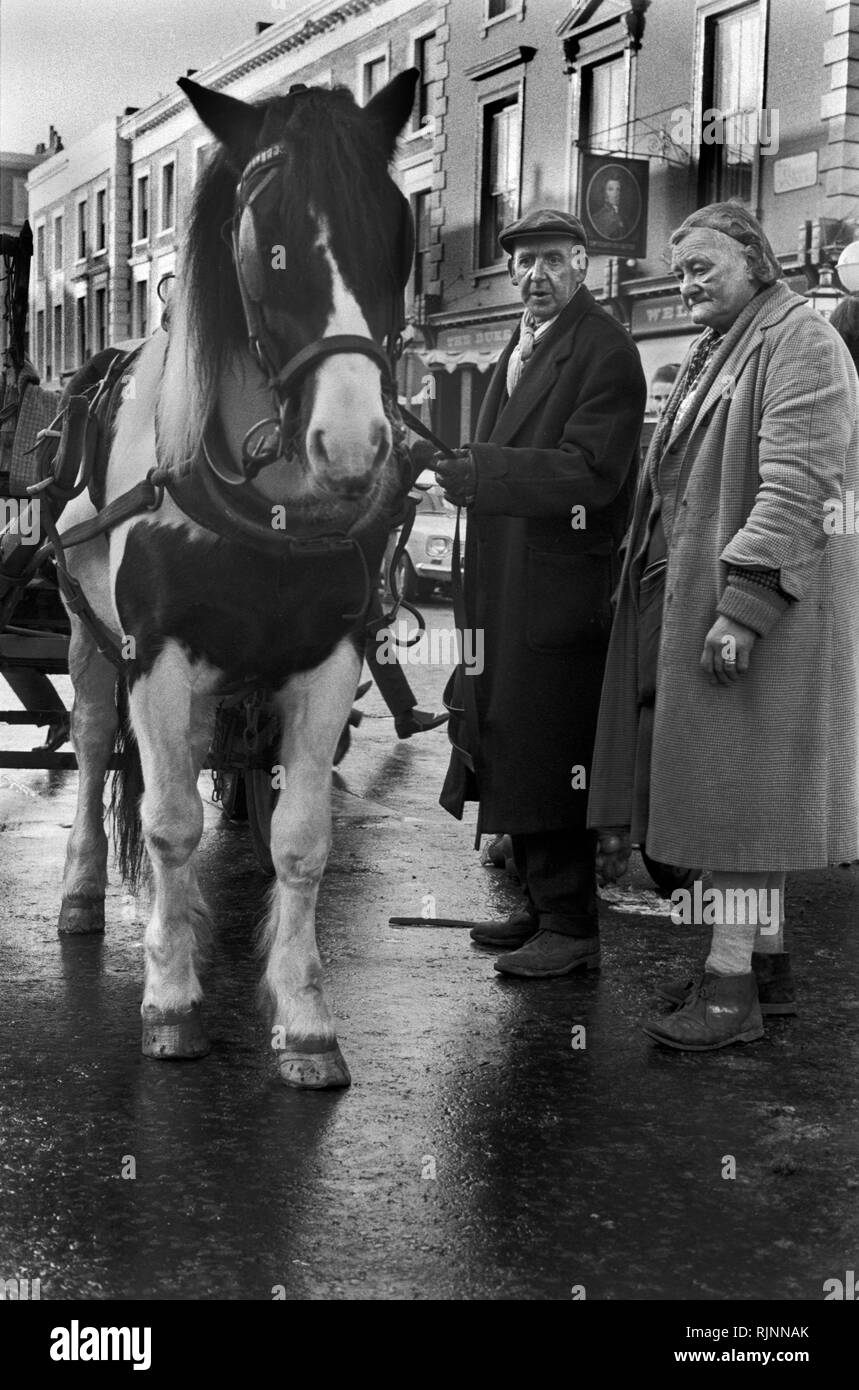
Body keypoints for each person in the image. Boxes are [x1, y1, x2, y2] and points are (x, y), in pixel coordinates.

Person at [588, 202, 859, 1049]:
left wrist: (741, 608)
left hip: (766, 610)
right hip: (724, 601)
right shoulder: (733, 341)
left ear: (756, 260)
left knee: (737, 803)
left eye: (702, 266)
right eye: (680, 268)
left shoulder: (800, 340)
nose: (686, 281)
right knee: (752, 798)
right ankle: (766, 965)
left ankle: (728, 987)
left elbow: (799, 485)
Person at [432, 207, 646, 978]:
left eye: (553, 260)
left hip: (556, 593)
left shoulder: (606, 349)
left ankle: (571, 924)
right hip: (506, 583)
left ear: (583, 264)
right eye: (524, 262)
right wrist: (468, 470)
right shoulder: (517, 348)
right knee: (508, 737)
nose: (535, 275)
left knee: (550, 747)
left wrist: (484, 471)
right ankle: (537, 902)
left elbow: (594, 472)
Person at [591, 176, 627, 240]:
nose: (615, 193)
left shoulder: (625, 217)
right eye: (611, 189)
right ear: (605, 193)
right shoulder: (597, 218)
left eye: (618, 189)